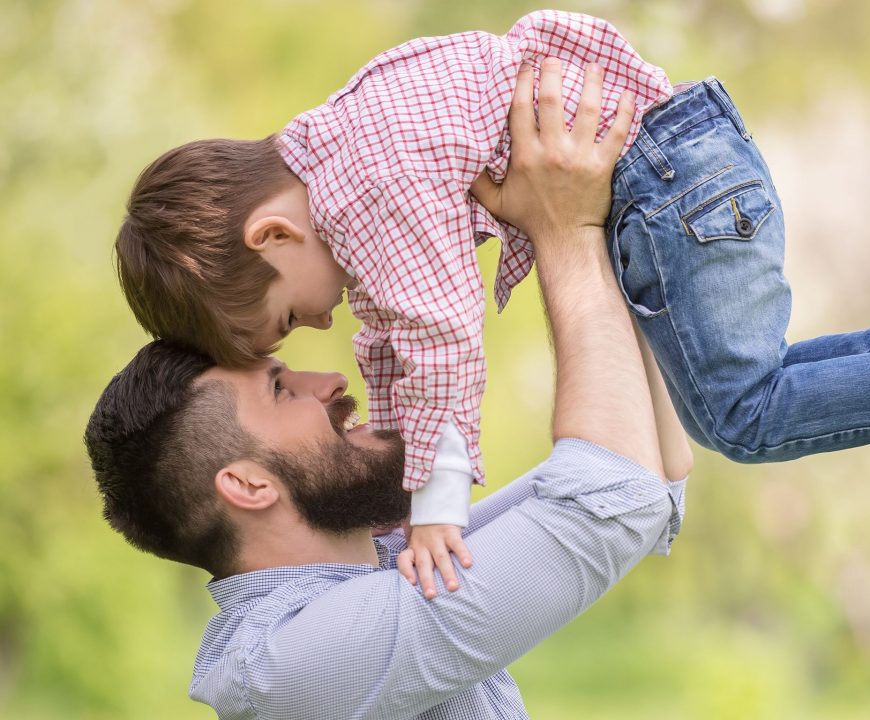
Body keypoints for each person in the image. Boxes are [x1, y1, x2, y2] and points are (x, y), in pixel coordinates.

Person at [113, 11, 870, 585]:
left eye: (289, 316)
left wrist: (438, 508)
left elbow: (440, 339)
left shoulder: (364, 190)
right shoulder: (344, 143)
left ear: (272, 237)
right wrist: (407, 474)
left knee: (743, 420)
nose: (320, 325)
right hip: (676, 168)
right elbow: (393, 334)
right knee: (732, 389)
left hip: (664, 185)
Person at [84, 75, 691, 719]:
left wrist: (591, 220)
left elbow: (651, 486)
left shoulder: (385, 560)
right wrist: (564, 228)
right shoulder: (292, 664)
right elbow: (612, 501)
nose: (330, 382)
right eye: (282, 390)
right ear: (248, 485)